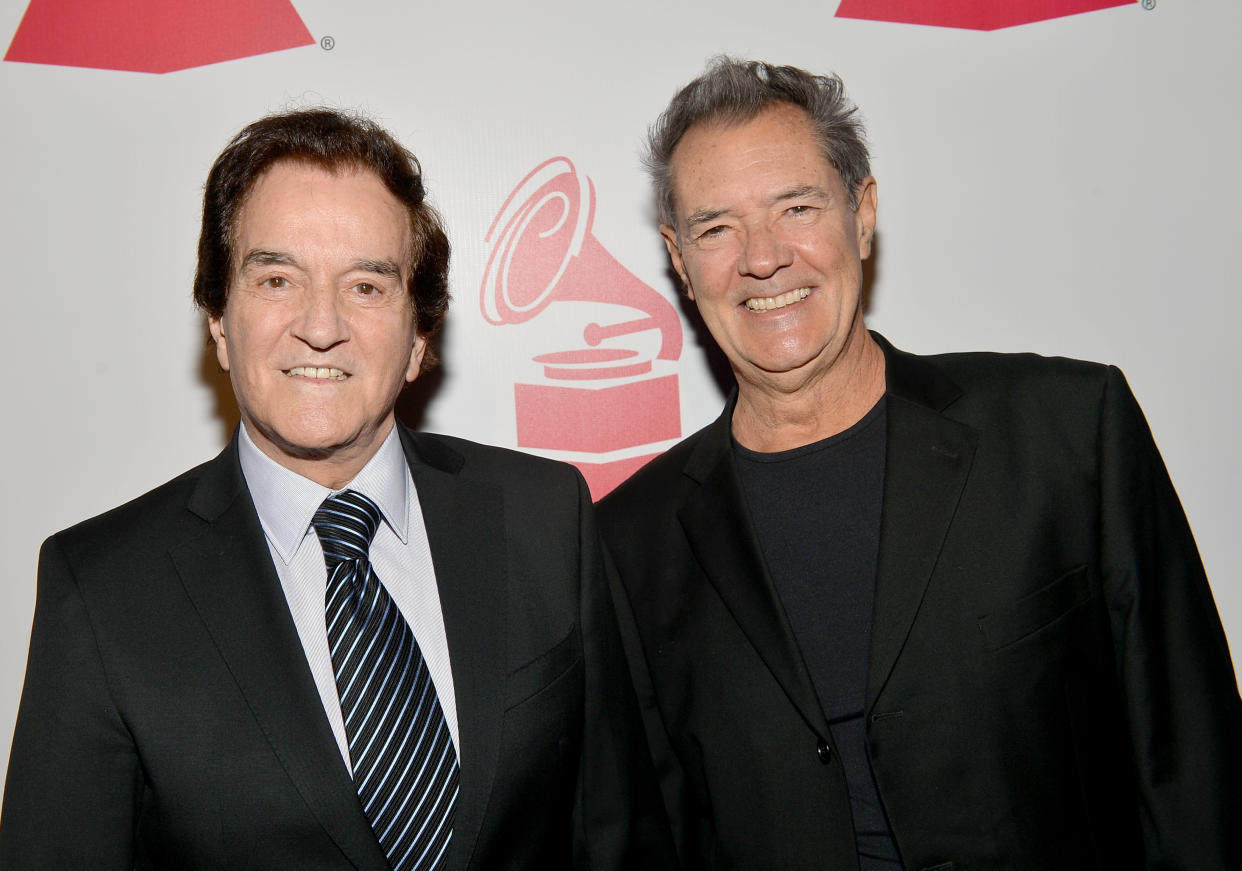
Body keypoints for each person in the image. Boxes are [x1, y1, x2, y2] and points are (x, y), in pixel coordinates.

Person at [598, 57, 1241, 871]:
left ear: (862, 215)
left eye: (797, 207)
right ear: (680, 259)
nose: (762, 258)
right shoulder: (628, 544)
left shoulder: (1067, 433)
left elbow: (1193, 770)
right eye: (716, 228)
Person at [0, 108, 673, 870]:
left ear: (420, 335)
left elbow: (621, 839)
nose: (321, 326)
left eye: (365, 284)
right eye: (277, 278)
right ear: (219, 319)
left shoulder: (545, 518)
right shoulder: (100, 590)